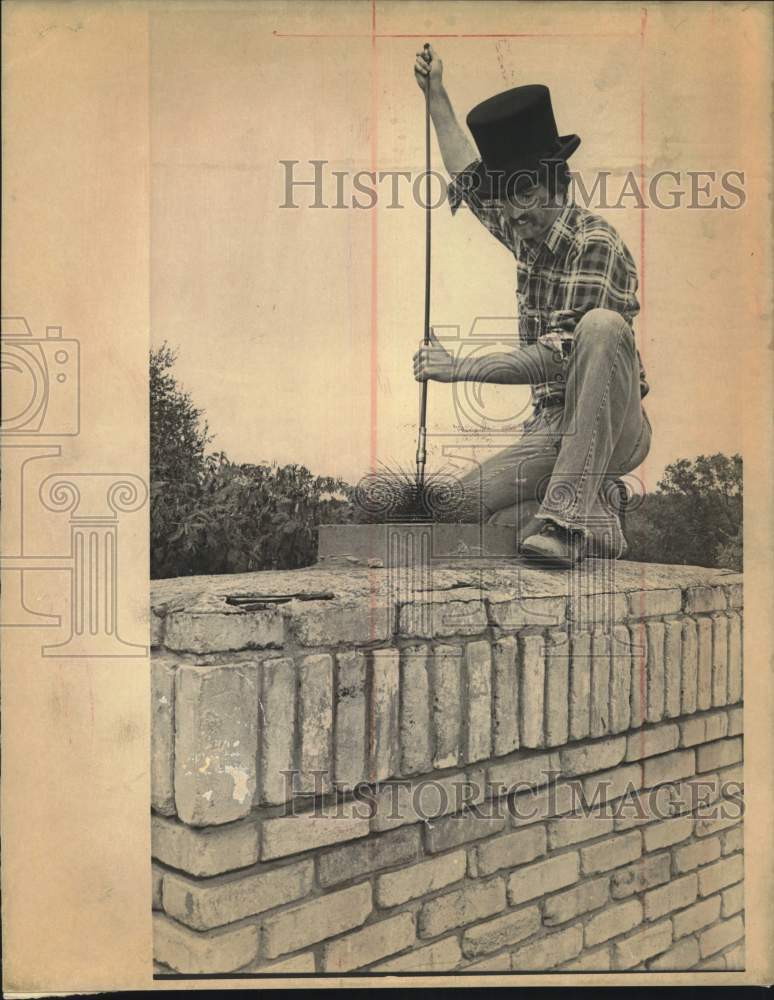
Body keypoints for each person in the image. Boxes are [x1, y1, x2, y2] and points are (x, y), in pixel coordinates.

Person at [412, 45, 652, 568]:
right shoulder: (525, 225)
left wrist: (460, 368)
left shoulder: (596, 243)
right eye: (503, 197)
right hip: (550, 430)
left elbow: (558, 356)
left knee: (602, 327)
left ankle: (566, 520)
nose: (508, 211)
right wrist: (436, 97)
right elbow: (465, 172)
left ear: (554, 182)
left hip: (614, 426)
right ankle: (594, 513)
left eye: (520, 195)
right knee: (454, 510)